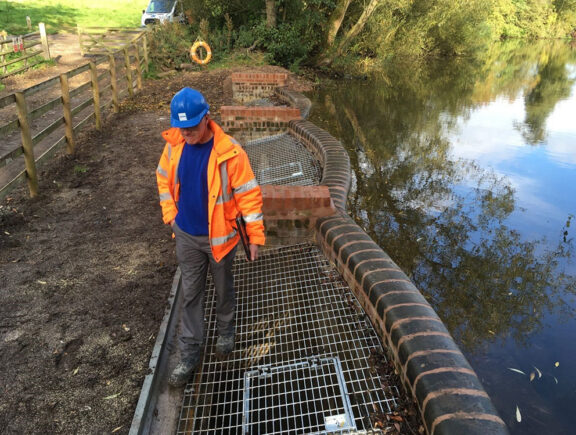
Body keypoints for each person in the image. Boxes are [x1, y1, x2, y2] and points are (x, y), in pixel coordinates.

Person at [156, 87, 265, 387]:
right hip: (187, 236)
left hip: (221, 238)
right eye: (182, 129)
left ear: (206, 118)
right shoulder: (175, 146)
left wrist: (254, 236)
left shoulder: (230, 152)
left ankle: (226, 331)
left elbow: (249, 197)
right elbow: (163, 179)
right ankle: (189, 353)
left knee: (223, 287)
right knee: (190, 295)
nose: (187, 135)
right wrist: (171, 217)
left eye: (191, 128)